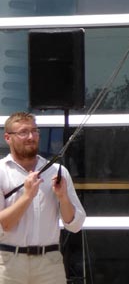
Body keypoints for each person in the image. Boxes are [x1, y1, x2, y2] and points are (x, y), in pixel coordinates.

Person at [0, 111, 86, 284]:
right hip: (10, 262)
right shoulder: (2, 171)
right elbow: (4, 225)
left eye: (35, 131)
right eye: (23, 132)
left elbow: (75, 225)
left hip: (49, 263)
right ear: (7, 138)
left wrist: (63, 198)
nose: (31, 137)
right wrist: (27, 196)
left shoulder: (57, 171)